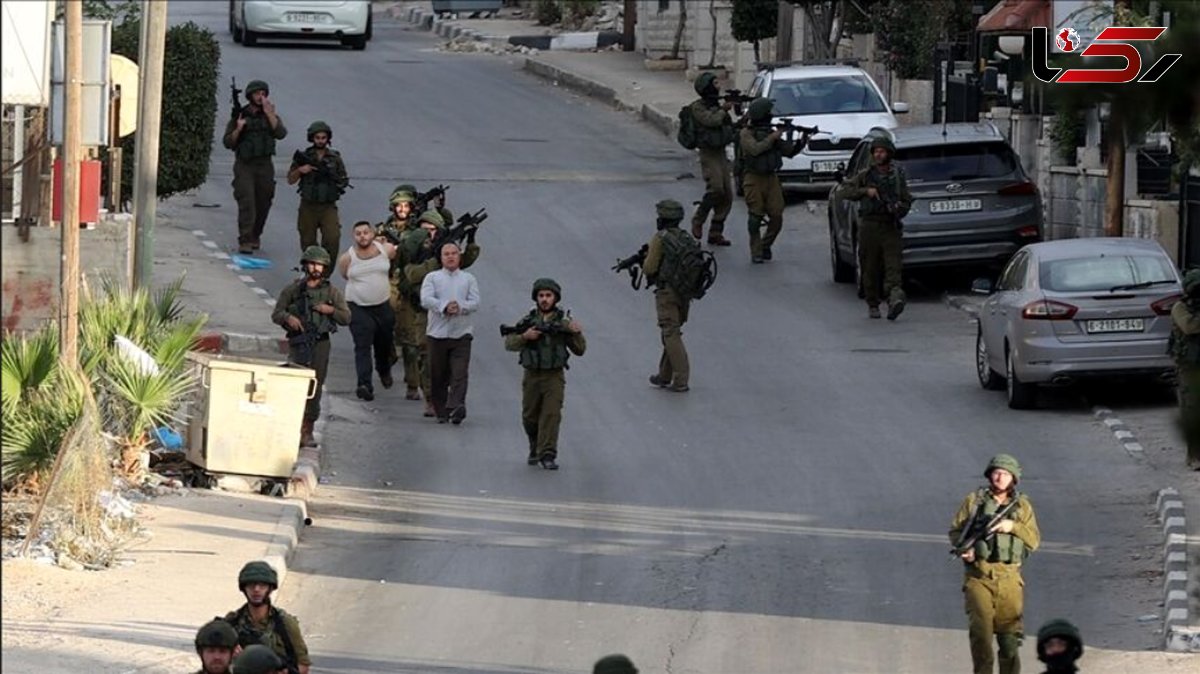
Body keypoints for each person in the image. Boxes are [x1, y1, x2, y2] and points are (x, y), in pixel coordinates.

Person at [948, 454, 1041, 674]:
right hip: (979, 577)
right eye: (996, 473)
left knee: (1009, 640)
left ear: (1013, 479)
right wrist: (966, 551)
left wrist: (1012, 527)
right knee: (981, 636)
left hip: (1009, 579)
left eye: (1005, 474)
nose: (1000, 478)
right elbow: (956, 531)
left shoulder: (1022, 506)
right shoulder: (975, 501)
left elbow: (1034, 540)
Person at [400, 210, 481, 417]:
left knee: (456, 369)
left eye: (433, 230)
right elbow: (412, 274)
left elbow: (464, 261)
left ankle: (453, 404)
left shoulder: (454, 261)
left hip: (458, 327)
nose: (429, 235)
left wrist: (470, 240)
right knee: (427, 358)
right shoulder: (415, 252)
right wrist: (437, 261)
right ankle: (431, 400)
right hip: (424, 315)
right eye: (425, 230)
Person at [271, 246, 351, 447]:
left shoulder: (332, 292)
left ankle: (307, 430)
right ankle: (291, 427)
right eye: (313, 264)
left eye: (321, 265)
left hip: (320, 343)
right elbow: (276, 313)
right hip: (298, 342)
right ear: (305, 265)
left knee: (314, 385)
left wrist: (329, 309)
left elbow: (346, 317)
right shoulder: (293, 290)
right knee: (295, 384)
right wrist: (288, 318)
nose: (316, 268)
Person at [504, 278, 586, 470]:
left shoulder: (563, 322)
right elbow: (509, 343)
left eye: (548, 296)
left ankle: (547, 453)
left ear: (555, 298)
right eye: (541, 296)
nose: (544, 299)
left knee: (551, 415)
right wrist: (525, 337)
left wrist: (575, 332)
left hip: (553, 377)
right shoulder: (528, 321)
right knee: (529, 417)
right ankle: (535, 445)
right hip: (531, 375)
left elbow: (580, 350)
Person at [836, 136, 912, 320]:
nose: (878, 155)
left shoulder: (897, 177)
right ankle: (873, 303)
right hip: (869, 226)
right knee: (869, 267)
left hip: (890, 226)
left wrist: (898, 209)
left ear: (889, 154)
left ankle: (894, 299)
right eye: (876, 151)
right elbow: (844, 192)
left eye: (882, 151)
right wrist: (865, 192)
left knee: (893, 267)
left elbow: (906, 200)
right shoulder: (865, 175)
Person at [738, 97, 809, 264]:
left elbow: (788, 151)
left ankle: (765, 244)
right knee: (755, 217)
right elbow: (754, 149)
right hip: (753, 177)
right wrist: (773, 137)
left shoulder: (771, 133)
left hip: (771, 178)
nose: (771, 115)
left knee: (777, 215)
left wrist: (802, 140)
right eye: (768, 112)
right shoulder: (746, 133)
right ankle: (756, 251)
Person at [222, 79, 287, 254]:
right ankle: (245, 239)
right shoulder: (240, 115)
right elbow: (227, 142)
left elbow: (281, 133)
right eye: (257, 94)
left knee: (264, 201)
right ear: (250, 95)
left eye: (263, 94)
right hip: (245, 165)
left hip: (265, 164)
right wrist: (238, 129)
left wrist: (270, 114)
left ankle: (255, 234)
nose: (261, 97)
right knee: (247, 201)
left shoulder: (270, 115)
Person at [338, 221, 398, 402]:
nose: (362, 236)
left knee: (384, 343)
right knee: (362, 345)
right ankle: (364, 385)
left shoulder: (384, 249)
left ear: (372, 234)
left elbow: (395, 255)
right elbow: (344, 274)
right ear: (354, 236)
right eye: (358, 233)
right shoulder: (347, 258)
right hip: (358, 307)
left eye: (366, 232)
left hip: (382, 306)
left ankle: (384, 369)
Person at [421, 241, 480, 424]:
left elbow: (475, 301)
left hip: (462, 333)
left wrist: (460, 307)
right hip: (437, 334)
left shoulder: (468, 279)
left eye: (454, 253)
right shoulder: (432, 277)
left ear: (459, 256)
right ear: (441, 257)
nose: (451, 256)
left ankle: (457, 406)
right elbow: (425, 299)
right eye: (446, 254)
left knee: (459, 372)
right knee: (438, 374)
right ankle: (441, 409)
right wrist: (444, 306)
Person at [377, 185, 423, 401]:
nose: (402, 209)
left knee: (410, 341)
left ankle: (413, 385)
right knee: (385, 327)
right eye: (399, 205)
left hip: (411, 284)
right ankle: (387, 357)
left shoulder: (419, 231)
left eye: (406, 205)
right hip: (389, 282)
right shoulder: (382, 230)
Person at [224, 562, 311, 674]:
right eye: (251, 585)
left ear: (270, 588)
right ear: (244, 588)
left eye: (262, 585)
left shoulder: (285, 623)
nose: (256, 590)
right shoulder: (232, 622)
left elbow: (303, 665)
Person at [642, 199, 692, 392]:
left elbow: (649, 267)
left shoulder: (661, 238)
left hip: (667, 292)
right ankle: (664, 374)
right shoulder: (685, 237)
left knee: (670, 333)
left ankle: (681, 379)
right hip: (685, 293)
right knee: (671, 333)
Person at [287, 120, 349, 268]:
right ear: (312, 138)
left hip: (328, 206)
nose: (321, 141)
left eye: (323, 138)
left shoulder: (335, 158)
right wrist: (301, 170)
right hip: (308, 206)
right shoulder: (305, 156)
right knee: (308, 241)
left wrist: (335, 182)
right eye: (317, 138)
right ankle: (310, 270)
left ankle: (325, 272)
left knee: (333, 238)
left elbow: (344, 179)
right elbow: (290, 179)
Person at [686, 72, 735, 246]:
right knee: (716, 188)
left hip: (721, 151)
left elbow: (727, 126)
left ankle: (716, 231)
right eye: (714, 83)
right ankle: (698, 219)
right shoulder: (698, 107)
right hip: (708, 152)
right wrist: (724, 109)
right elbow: (711, 121)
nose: (718, 85)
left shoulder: (716, 105)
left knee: (728, 194)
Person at [1169, 268, 1200, 469]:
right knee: (1192, 409)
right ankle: (1194, 456)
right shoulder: (1180, 307)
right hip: (1189, 365)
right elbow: (1189, 327)